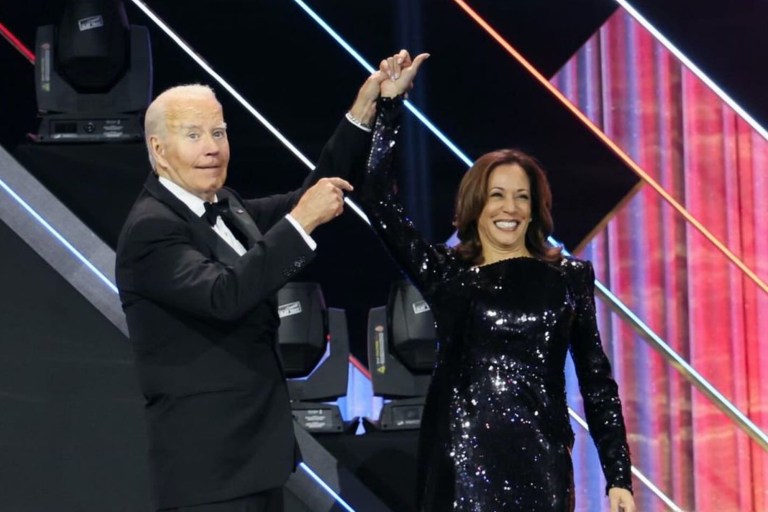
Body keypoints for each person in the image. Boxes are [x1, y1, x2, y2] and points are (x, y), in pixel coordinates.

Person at [355, 51, 637, 512]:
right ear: (475, 204)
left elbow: (596, 380)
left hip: (541, 460)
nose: (510, 209)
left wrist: (618, 475)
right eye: (498, 196)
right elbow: (377, 201)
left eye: (522, 197)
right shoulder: (447, 274)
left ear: (535, 207)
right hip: (460, 461)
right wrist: (390, 108)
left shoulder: (569, 277)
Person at [115, 71, 386, 511]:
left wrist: (362, 112)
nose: (212, 147)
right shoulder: (153, 230)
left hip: (255, 460)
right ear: (159, 151)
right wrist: (303, 222)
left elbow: (310, 196)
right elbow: (225, 296)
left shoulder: (227, 205)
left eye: (219, 132)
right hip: (210, 474)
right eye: (194, 135)